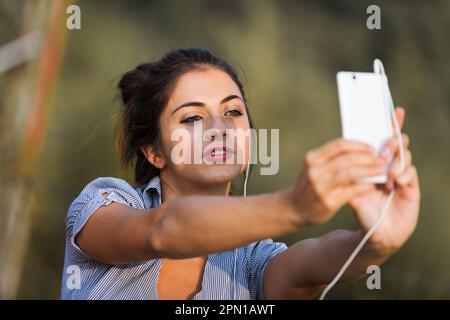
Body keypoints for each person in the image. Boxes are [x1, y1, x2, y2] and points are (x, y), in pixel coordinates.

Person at [60, 48, 420, 300]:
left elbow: (314, 263)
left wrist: (375, 242)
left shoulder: (253, 260)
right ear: (154, 151)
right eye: (193, 117)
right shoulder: (103, 203)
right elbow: (163, 229)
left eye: (233, 112)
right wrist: (294, 206)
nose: (220, 127)